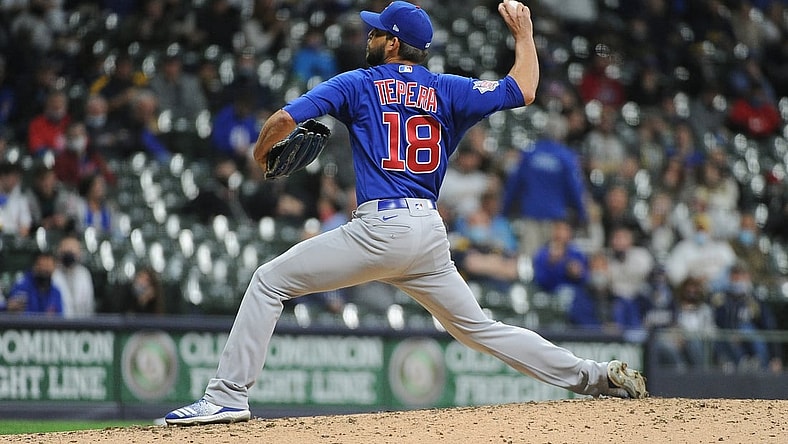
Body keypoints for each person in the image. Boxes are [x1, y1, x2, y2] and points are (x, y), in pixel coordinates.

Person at [165, 1, 647, 426]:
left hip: (382, 227)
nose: (368, 38)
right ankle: (595, 376)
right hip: (428, 233)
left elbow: (281, 121)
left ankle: (226, 397)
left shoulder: (359, 82)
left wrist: (262, 157)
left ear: (393, 44)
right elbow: (524, 88)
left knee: (270, 282)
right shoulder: (448, 89)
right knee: (480, 330)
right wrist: (524, 35)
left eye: (376, 33)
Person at [501, 112, 588, 257]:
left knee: (529, 258)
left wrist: (504, 211)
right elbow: (575, 189)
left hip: (531, 214)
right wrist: (582, 214)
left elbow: (514, 185)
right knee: (551, 259)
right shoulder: (566, 157)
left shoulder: (530, 154)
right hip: (555, 217)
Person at [0, 250, 63, 315]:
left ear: (54, 268)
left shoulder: (56, 292)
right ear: (34, 266)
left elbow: (59, 317)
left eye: (48, 266)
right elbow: (19, 315)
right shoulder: (22, 287)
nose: (44, 270)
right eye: (41, 266)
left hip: (47, 325)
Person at [51, 235, 96, 318]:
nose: (69, 254)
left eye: (72, 251)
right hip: (58, 325)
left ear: (79, 253)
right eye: (66, 250)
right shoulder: (53, 274)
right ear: (59, 252)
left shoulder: (84, 273)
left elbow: (89, 305)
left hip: (82, 324)